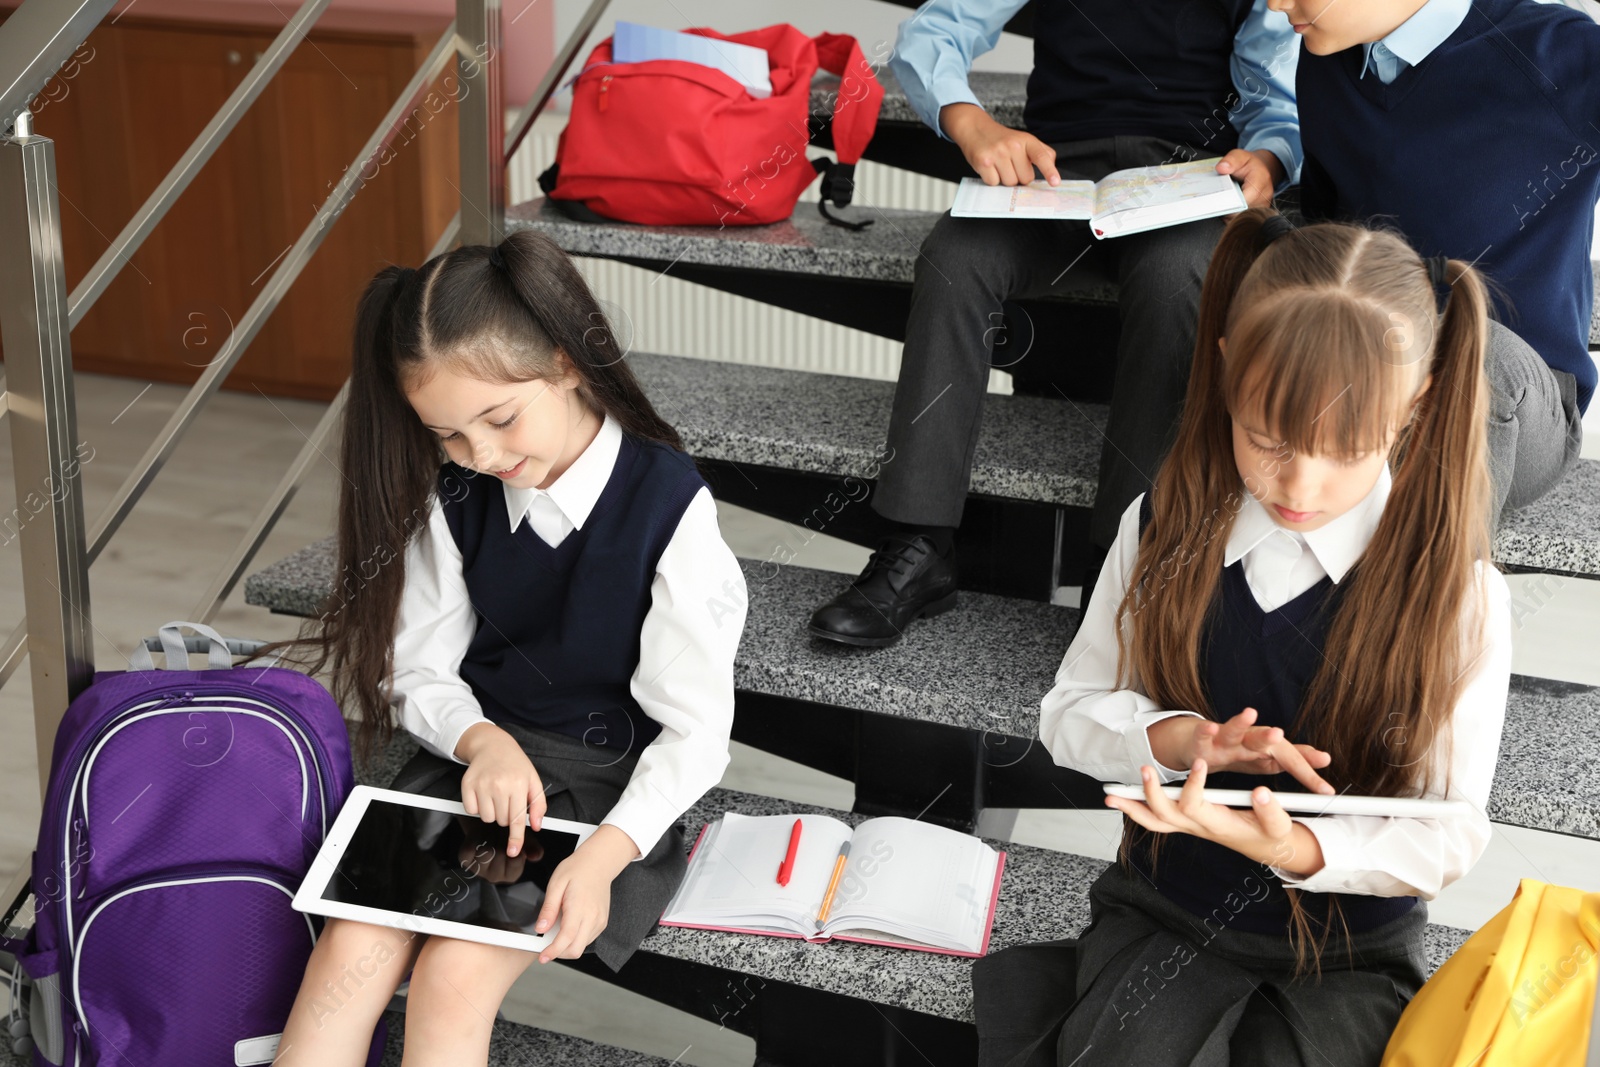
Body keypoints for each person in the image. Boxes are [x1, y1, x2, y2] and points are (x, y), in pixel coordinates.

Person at [972, 209, 1512, 1066]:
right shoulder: (1160, 529)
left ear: (1417, 405)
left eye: (1345, 450)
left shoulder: (1458, 594)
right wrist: (1184, 739)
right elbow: (1067, 714)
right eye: (1267, 438)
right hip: (1166, 909)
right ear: (1225, 367)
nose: (1298, 482)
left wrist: (1292, 846)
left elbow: (1448, 828)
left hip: (1348, 947)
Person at [267, 230, 748, 1066]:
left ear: (566, 363)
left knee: (455, 973)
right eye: (448, 435)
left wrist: (604, 855)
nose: (480, 455)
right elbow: (417, 665)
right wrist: (480, 739)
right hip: (473, 764)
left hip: (607, 793)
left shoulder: (668, 508)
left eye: (498, 418)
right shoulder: (461, 495)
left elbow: (697, 732)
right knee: (351, 949)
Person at [808, 0, 1304, 647]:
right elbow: (935, 30)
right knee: (955, 258)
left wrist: (1268, 156)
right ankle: (918, 541)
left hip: (1182, 181)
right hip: (1052, 174)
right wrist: (971, 122)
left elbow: (1275, 90)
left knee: (1180, 276)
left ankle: (1122, 571)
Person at [1281, 0, 1598, 527]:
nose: (1274, 4)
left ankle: (1431, 605)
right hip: (1373, 386)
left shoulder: (1559, 51)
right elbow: (1327, 236)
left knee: (1480, 359)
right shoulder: (1324, 60)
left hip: (1517, 403)